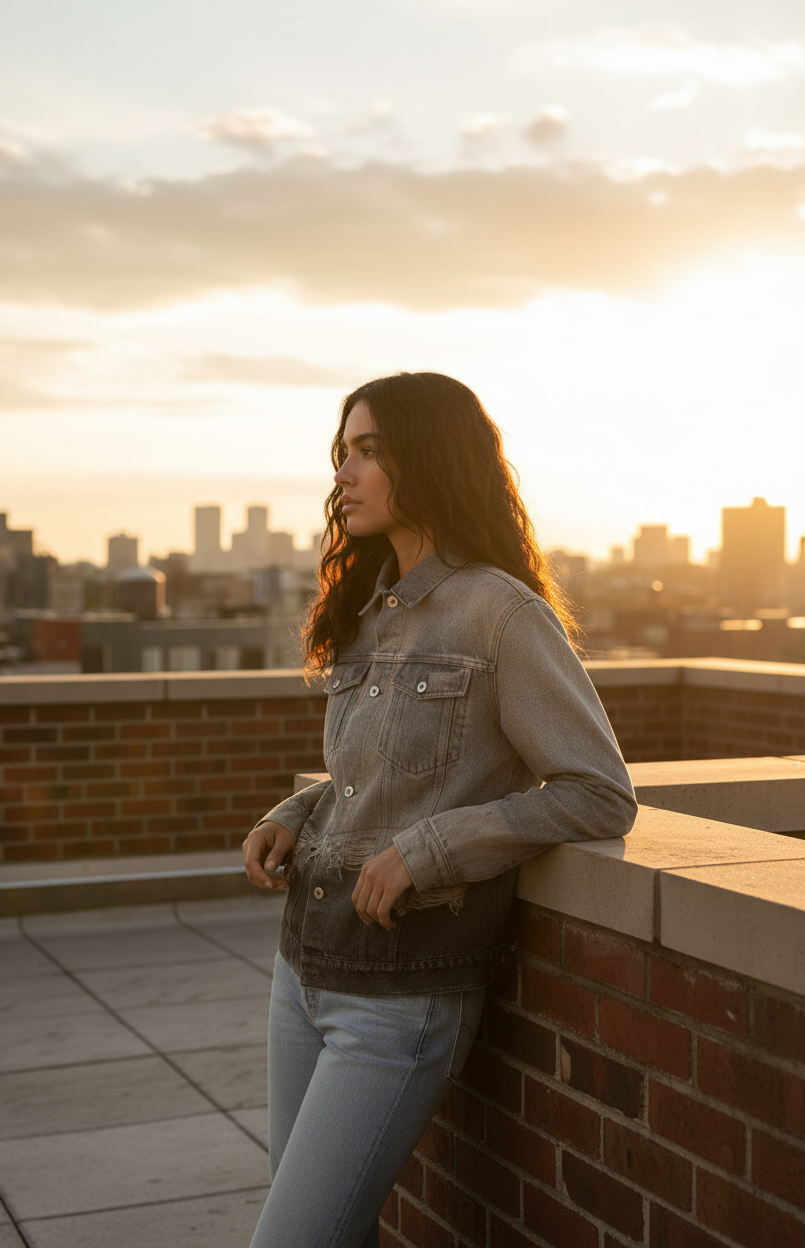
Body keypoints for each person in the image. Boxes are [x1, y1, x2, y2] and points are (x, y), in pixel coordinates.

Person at [243, 372, 637, 1248]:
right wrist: (298, 813)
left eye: (370, 450)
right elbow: (373, 779)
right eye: (342, 451)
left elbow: (599, 790)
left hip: (402, 994)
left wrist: (435, 848)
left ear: (429, 458)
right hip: (302, 967)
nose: (345, 472)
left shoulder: (502, 615)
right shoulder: (367, 608)